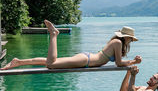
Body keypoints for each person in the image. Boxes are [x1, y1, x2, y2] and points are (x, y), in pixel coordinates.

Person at [1, 20, 142, 70]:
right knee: (51, 64)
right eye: (131, 39)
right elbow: (118, 63)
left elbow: (118, 62)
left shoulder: (117, 42)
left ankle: (18, 62)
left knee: (49, 62)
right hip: (86, 60)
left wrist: (131, 61)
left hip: (86, 59)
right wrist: (133, 62)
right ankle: (54, 35)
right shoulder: (117, 42)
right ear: (127, 37)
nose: (131, 41)